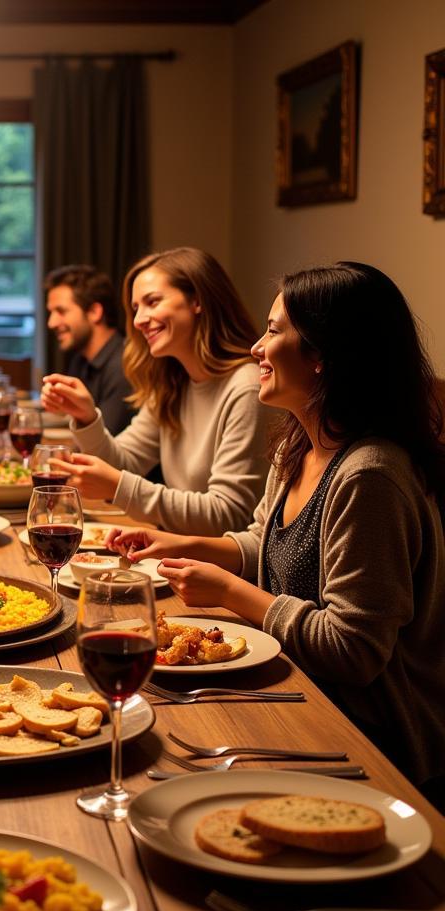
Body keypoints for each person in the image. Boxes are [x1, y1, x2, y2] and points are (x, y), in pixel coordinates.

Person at [107, 262, 445, 803]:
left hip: (374, 743)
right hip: (302, 688)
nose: (255, 349)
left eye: (273, 331)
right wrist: (181, 543)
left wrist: (229, 593)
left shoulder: (370, 475)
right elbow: (266, 542)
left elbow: (353, 652)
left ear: (323, 356)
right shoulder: (300, 446)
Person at [42, 247, 277, 535]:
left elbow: (229, 514)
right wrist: (87, 417)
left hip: (217, 571)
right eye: (136, 308)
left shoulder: (246, 387)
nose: (139, 319)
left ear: (197, 301)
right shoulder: (173, 384)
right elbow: (124, 462)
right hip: (174, 553)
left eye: (152, 302)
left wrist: (118, 486)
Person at [43, 264, 133, 435]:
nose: (51, 322)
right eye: (51, 312)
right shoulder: (81, 359)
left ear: (94, 312)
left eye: (61, 311)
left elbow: (104, 443)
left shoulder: (124, 366)